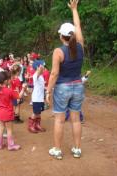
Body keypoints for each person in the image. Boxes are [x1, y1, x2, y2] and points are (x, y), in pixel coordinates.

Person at [46, 0, 84, 160]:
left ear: (62, 36)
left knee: (60, 120)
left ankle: (57, 150)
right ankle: (76, 149)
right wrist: (74, 10)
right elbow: (78, 27)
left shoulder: (58, 51)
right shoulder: (80, 45)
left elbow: (54, 74)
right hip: (78, 86)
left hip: (62, 87)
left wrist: (48, 91)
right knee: (75, 120)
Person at [0, 71, 27, 151]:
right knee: (9, 129)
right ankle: (10, 145)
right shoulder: (9, 91)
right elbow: (19, 96)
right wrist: (23, 88)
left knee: (1, 128)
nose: (11, 80)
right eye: (9, 79)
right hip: (7, 113)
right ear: (6, 81)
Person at [28, 61, 46, 133]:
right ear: (38, 68)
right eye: (42, 66)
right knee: (35, 113)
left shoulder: (41, 76)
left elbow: (41, 86)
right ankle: (31, 126)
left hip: (40, 98)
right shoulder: (36, 75)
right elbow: (39, 72)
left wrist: (47, 88)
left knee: (39, 112)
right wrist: (40, 68)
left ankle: (37, 125)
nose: (44, 67)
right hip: (36, 98)